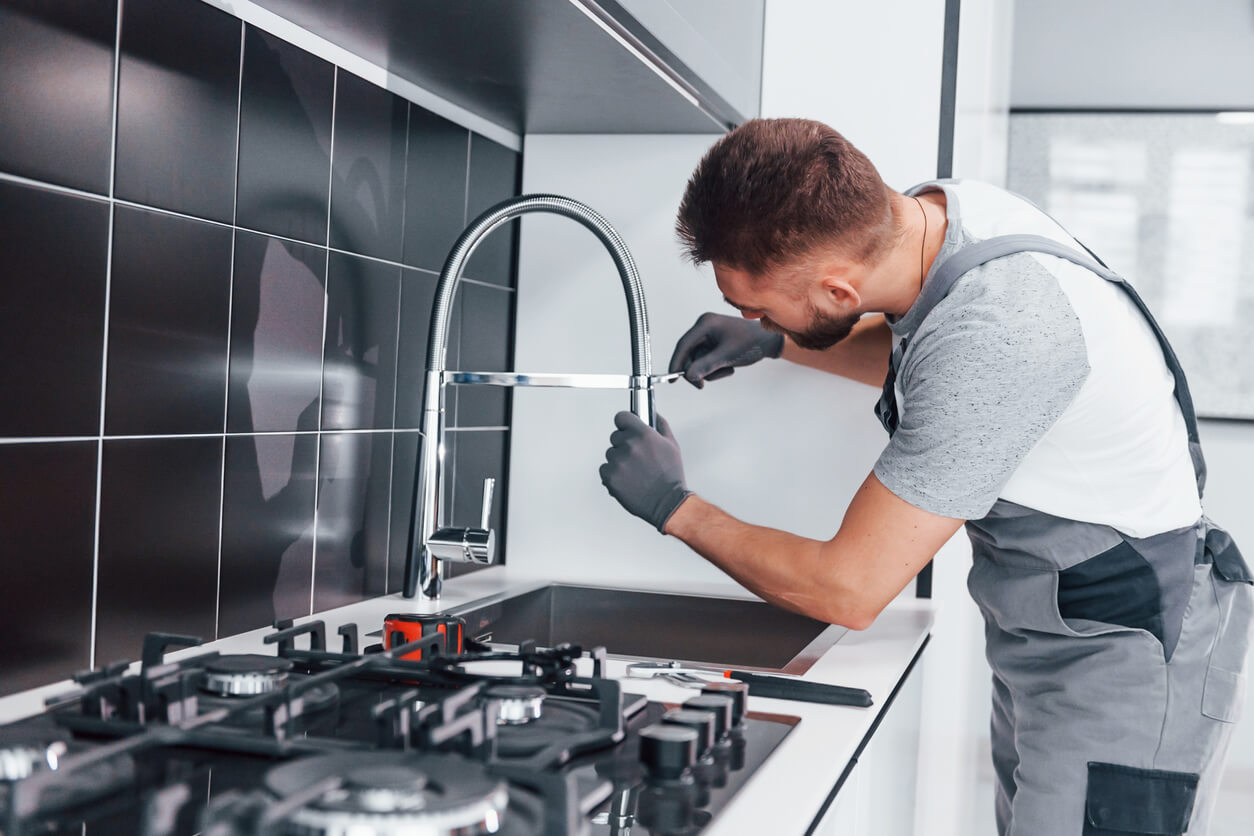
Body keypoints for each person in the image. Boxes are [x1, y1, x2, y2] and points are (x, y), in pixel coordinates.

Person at [598, 118, 1253, 836]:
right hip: (1059, 628)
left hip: (1130, 650)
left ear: (841, 291)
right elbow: (930, 355)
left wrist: (673, 506)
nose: (746, 314)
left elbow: (845, 588)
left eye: (754, 305)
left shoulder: (1003, 327)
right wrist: (776, 338)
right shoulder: (934, 219)